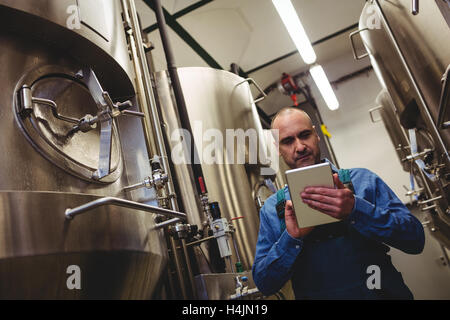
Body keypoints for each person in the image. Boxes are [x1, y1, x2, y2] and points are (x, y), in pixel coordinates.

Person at [252, 107, 425, 299]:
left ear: (316, 135)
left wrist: (356, 210)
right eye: (288, 141)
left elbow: (415, 240)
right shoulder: (273, 209)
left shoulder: (362, 181)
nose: (300, 147)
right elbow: (264, 283)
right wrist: (291, 238)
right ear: (277, 148)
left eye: (304, 135)